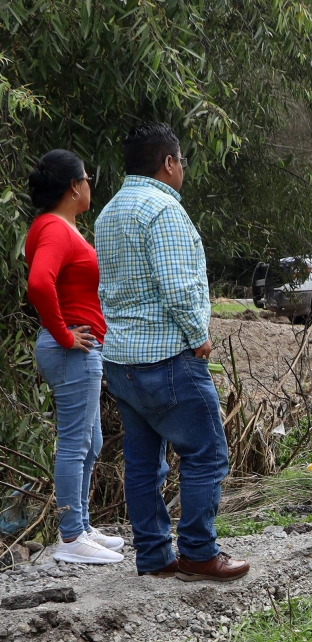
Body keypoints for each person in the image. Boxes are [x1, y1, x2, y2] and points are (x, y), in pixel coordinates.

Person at [96, 122, 247, 581]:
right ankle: (199, 552)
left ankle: (155, 556)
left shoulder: (108, 213)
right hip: (167, 355)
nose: (182, 168)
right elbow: (179, 287)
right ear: (168, 163)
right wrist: (199, 335)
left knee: (143, 462)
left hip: (120, 359)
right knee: (207, 454)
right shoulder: (163, 210)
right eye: (181, 161)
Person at [26, 150, 125, 566]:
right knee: (74, 442)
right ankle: (70, 537)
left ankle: (81, 525)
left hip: (77, 348)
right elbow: (39, 283)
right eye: (86, 178)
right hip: (72, 350)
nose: (89, 185)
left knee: (90, 440)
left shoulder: (59, 226)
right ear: (73, 187)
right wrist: (65, 334)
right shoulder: (54, 228)